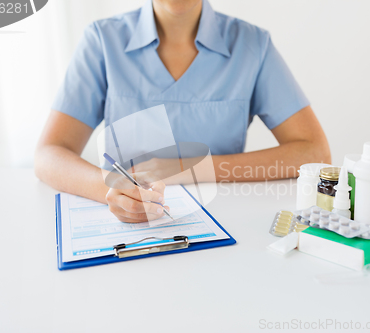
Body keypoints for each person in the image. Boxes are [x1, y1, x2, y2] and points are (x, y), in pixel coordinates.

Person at [35, 0, 331, 223]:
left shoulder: (253, 45)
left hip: (225, 224)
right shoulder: (102, 40)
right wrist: (112, 190)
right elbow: (49, 153)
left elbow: (314, 152)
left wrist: (185, 167)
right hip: (127, 230)